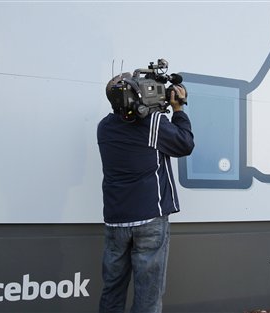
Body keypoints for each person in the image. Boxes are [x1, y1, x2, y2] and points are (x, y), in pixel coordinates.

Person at [97, 73, 194, 313]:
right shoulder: (151, 125)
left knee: (112, 289)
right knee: (148, 295)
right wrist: (178, 109)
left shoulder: (104, 127)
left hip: (115, 221)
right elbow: (185, 143)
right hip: (150, 220)